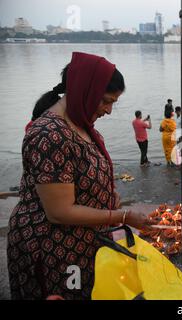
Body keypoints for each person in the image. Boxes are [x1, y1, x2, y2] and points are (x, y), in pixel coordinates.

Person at [7, 52, 154, 300]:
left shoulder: (80, 124)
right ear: (85, 90)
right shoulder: (49, 135)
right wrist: (122, 215)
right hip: (53, 249)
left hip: (83, 243)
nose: (108, 111)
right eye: (106, 101)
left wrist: (106, 194)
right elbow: (59, 211)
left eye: (113, 103)